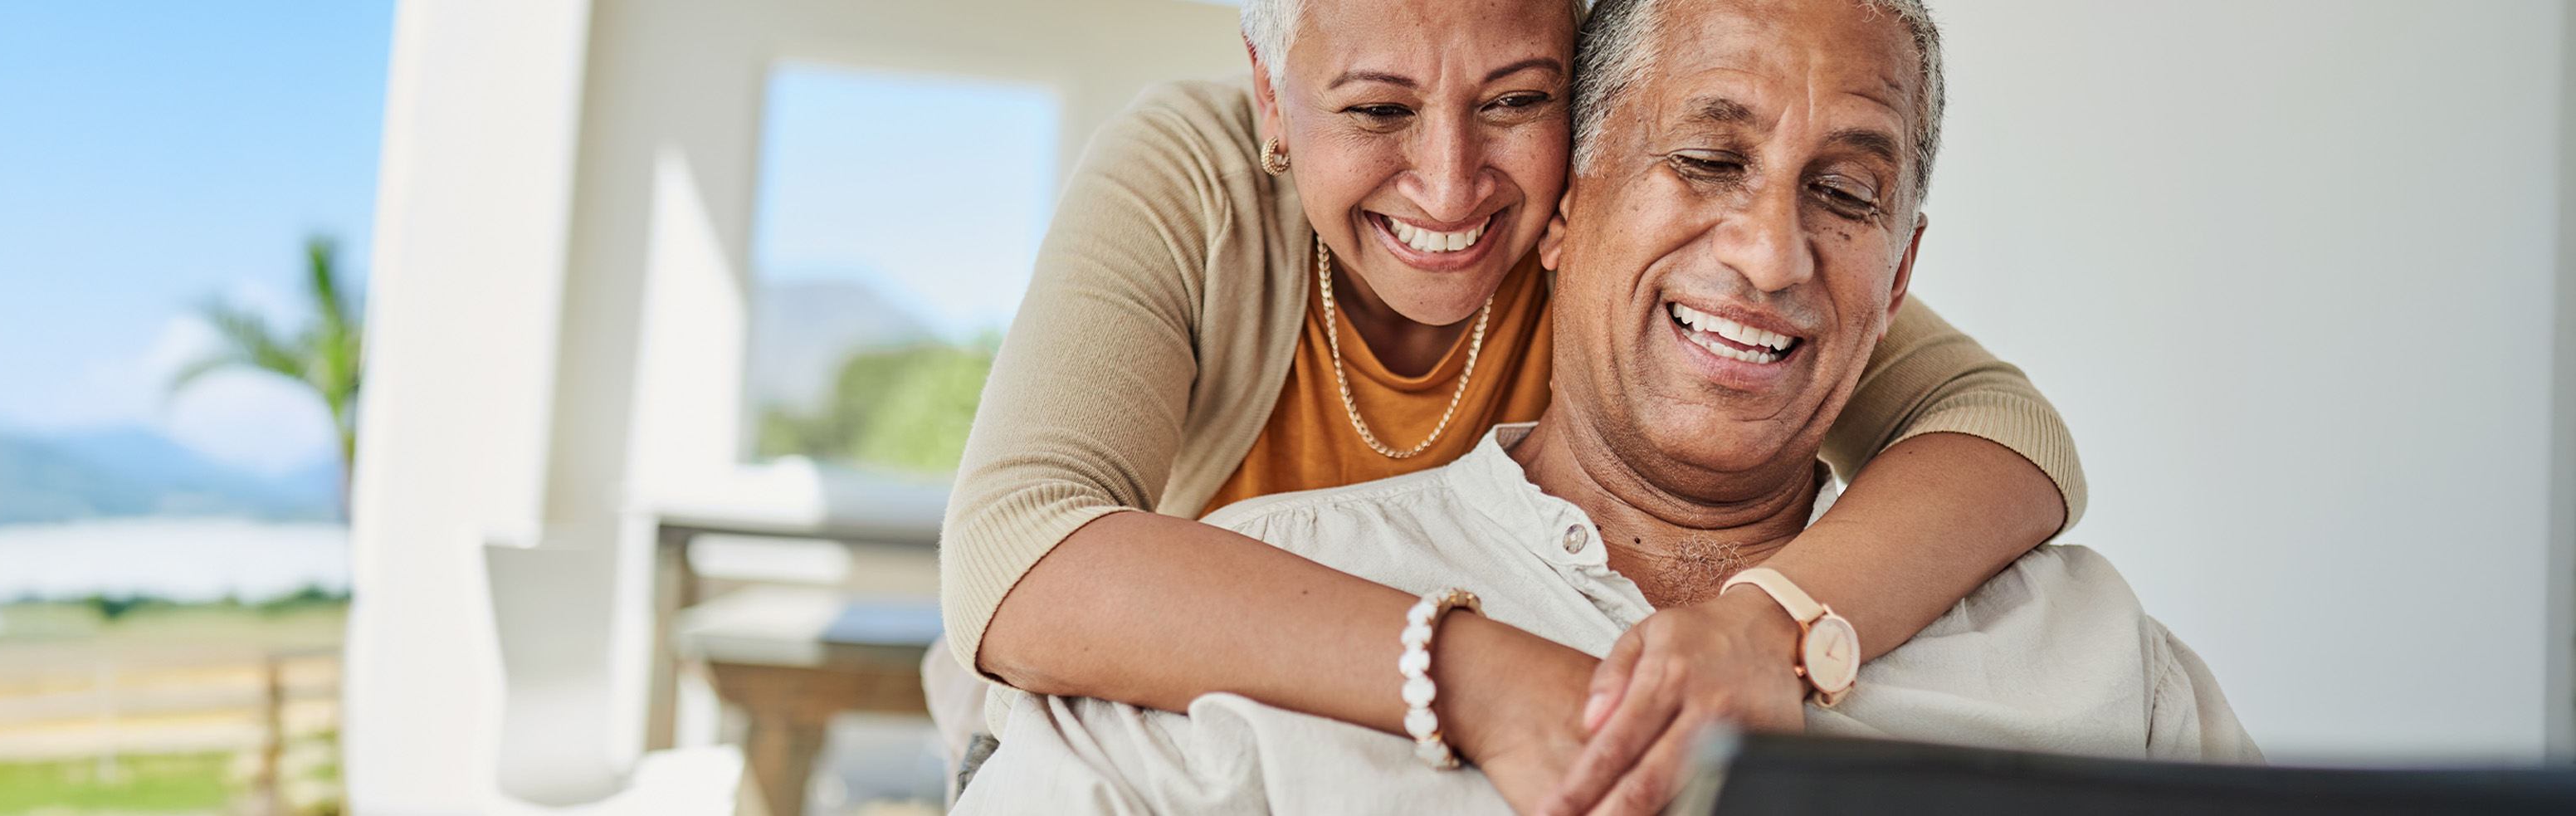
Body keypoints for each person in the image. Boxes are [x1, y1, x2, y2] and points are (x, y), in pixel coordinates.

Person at [949, 1, 2255, 812]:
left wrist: (1773, 626)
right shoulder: (1203, 188)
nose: (1456, 187)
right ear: (1274, 100)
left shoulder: (2092, 660)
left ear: (1565, 152)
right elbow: (1015, 555)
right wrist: (1480, 681)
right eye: (1378, 108)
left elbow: (2004, 431)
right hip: (1123, 654)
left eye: (1515, 102)